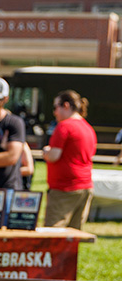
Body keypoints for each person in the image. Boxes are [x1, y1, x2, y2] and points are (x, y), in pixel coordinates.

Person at [43, 89, 96, 229]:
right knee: (73, 237)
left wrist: (46, 152)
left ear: (66, 105)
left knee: (52, 234)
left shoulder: (64, 126)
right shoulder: (87, 127)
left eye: (55, 107)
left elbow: (54, 156)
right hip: (85, 186)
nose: (54, 112)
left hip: (65, 188)